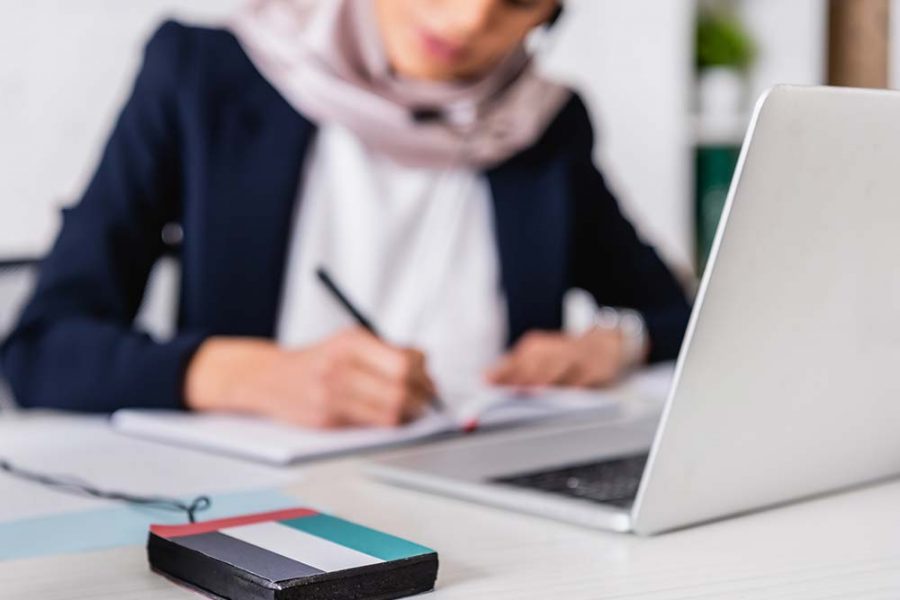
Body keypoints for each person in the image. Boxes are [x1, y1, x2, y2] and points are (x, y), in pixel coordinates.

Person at [1, 0, 691, 428]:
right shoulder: (200, 76)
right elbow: (41, 351)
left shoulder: (544, 125)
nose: (468, 18)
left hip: (497, 516)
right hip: (258, 520)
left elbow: (681, 315)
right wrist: (249, 376)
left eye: (514, 0)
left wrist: (614, 344)